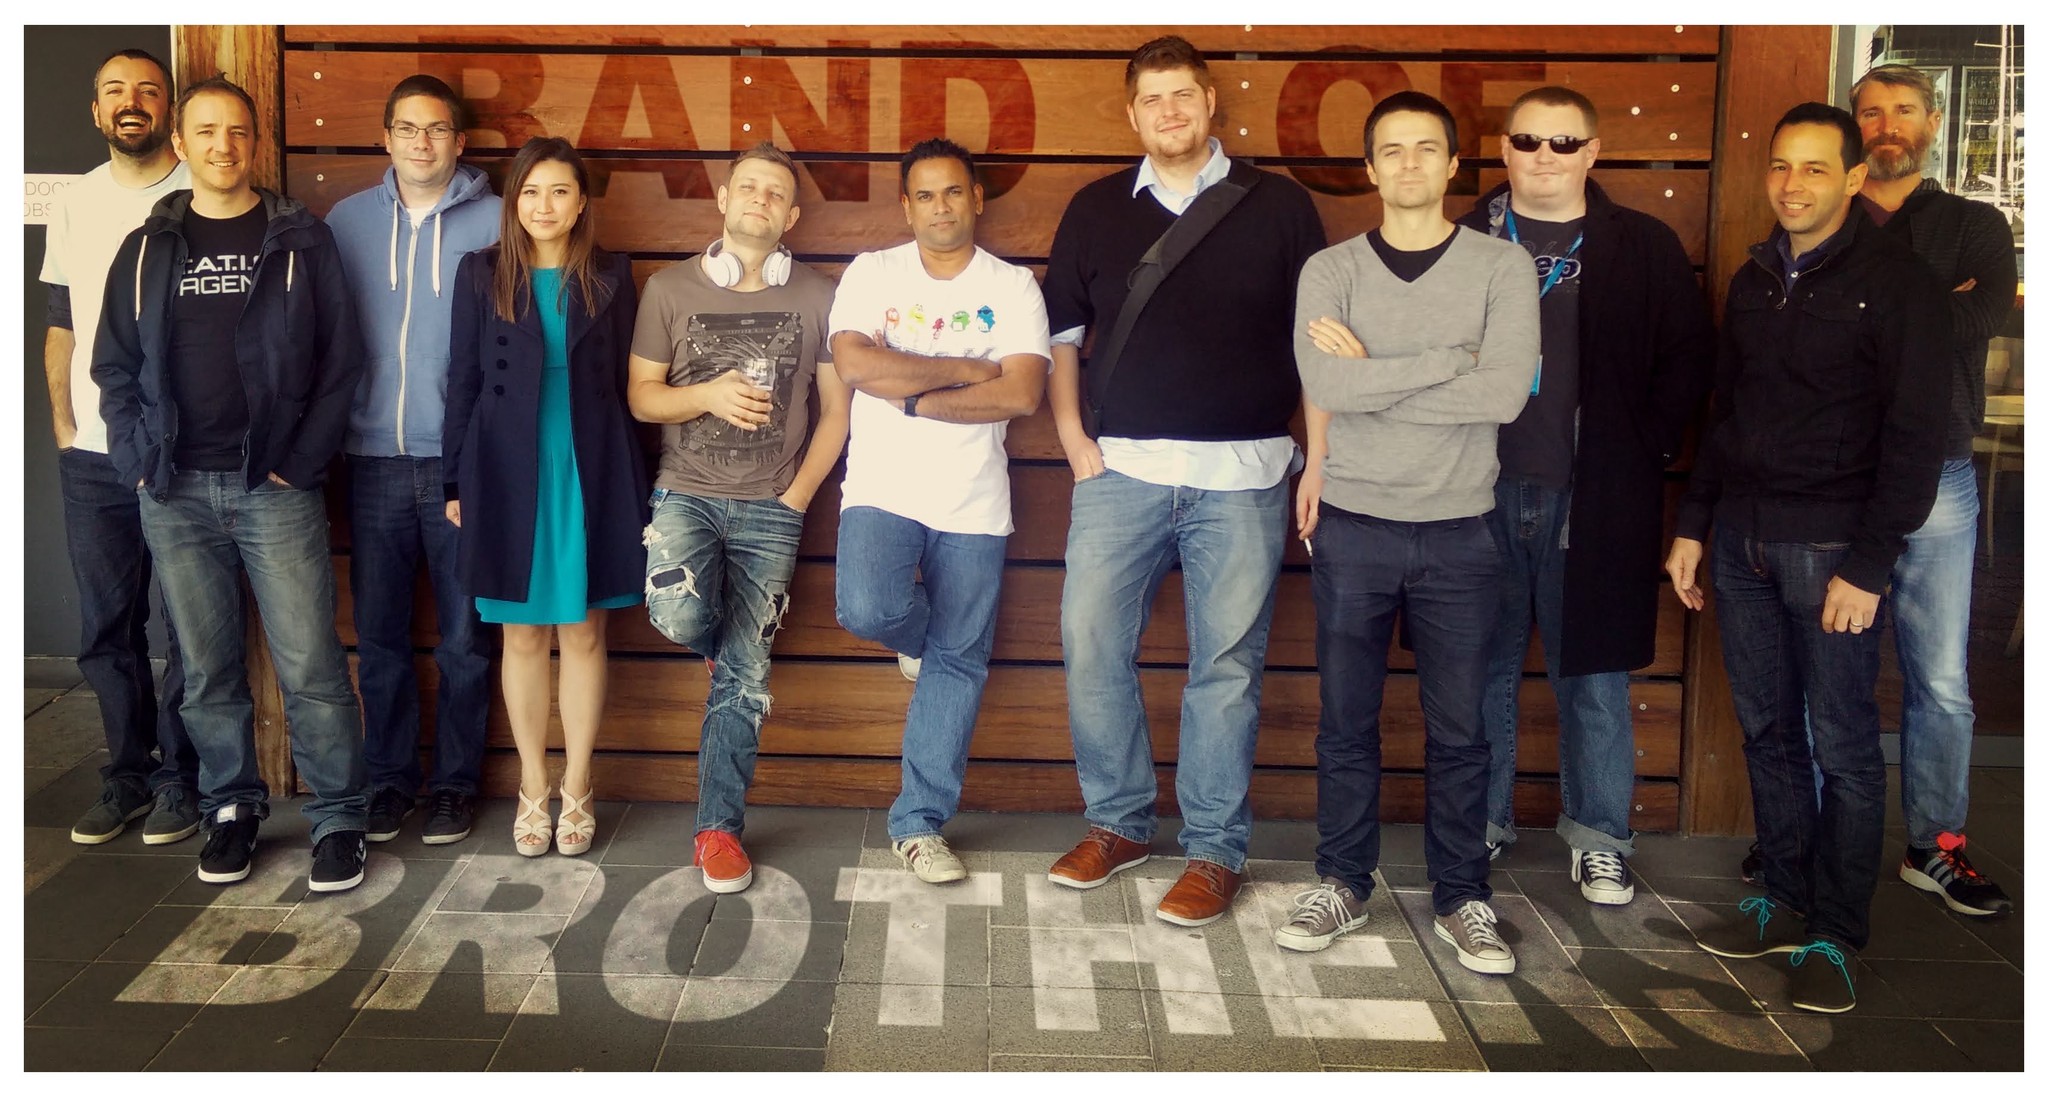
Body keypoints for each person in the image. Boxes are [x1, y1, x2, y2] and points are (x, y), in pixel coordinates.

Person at [1668, 103, 1951, 1013]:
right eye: (1781, 166)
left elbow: (1916, 437)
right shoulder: (1756, 277)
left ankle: (1837, 932)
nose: (1793, 185)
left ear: (1855, 178)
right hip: (1744, 542)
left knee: (1844, 745)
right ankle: (1784, 899)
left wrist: (1870, 565)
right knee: (1768, 732)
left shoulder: (1899, 283)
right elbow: (1727, 413)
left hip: (1832, 549)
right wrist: (1694, 524)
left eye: (1816, 168)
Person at [1041, 35, 1326, 926]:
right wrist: (1071, 437)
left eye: (1183, 95)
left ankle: (1213, 850)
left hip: (1245, 477)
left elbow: (1316, 345)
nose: (1169, 112)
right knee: (1091, 643)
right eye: (1152, 99)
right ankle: (1118, 823)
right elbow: (1062, 336)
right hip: (1120, 472)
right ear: (1133, 115)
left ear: (1210, 103)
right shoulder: (1095, 208)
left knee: (1226, 668)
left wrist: (1318, 458)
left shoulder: (1280, 206)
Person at [94, 76, 369, 891]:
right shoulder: (146, 248)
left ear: (255, 142)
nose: (224, 145)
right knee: (207, 669)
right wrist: (138, 461)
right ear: (182, 143)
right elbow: (114, 367)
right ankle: (230, 807)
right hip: (175, 490)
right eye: (207, 131)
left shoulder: (301, 240)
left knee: (311, 664)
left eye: (238, 131)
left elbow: (342, 361)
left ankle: (339, 818)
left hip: (274, 488)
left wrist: (301, 461)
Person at [1284, 91, 1537, 971]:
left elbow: (1504, 395)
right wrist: (1448, 364)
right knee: (1346, 722)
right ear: (1369, 168)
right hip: (1353, 526)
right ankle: (1342, 881)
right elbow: (1328, 386)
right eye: (1391, 150)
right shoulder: (1331, 271)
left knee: (1461, 730)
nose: (1408, 164)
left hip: (1460, 530)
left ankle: (1463, 896)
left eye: (1426, 148)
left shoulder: (1502, 267)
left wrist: (1377, 375)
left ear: (1455, 164)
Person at [1457, 86, 1715, 902]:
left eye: (1564, 143)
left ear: (1593, 152)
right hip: (1475, 489)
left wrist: (1641, 447)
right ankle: (1479, 822)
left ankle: (1601, 835)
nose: (1545, 156)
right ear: (1504, 148)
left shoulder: (1641, 244)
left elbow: (1688, 358)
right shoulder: (1461, 237)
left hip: (1595, 493)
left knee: (1595, 677)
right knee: (1480, 670)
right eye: (1529, 140)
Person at [629, 142, 852, 893]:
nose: (760, 198)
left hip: (773, 508)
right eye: (747, 186)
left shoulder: (819, 295)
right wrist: (706, 395)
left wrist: (797, 498)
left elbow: (837, 411)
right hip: (684, 493)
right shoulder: (667, 289)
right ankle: (718, 647)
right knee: (678, 616)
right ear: (723, 200)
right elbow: (642, 397)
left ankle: (718, 829)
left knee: (747, 676)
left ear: (791, 216)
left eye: (775, 192)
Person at [829, 138, 1050, 884]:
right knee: (868, 607)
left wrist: (913, 396)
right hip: (882, 487)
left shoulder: (1013, 286)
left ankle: (919, 825)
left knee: (960, 660)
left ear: (976, 198)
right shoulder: (874, 272)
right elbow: (856, 364)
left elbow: (1020, 392)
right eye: (924, 195)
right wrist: (960, 371)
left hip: (974, 503)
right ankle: (923, 641)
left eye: (953, 192)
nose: (940, 207)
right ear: (906, 206)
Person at [443, 137, 647, 858]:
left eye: (560, 191)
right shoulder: (481, 273)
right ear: (513, 201)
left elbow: (632, 388)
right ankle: (533, 784)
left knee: (586, 630)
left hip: (591, 463)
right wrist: (454, 481)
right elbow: (462, 381)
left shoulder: (613, 276)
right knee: (522, 634)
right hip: (505, 469)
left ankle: (579, 782)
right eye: (530, 191)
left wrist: (641, 486)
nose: (544, 205)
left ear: (582, 201)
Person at [1845, 64, 2017, 917]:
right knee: (1828, 671)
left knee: (1940, 677)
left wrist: (1867, 310)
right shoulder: (1829, 211)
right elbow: (1818, 327)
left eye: (1904, 110)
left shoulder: (1974, 223)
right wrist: (1919, 306)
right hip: (1839, 472)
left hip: (1940, 470)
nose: (1888, 125)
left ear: (1935, 121)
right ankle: (1814, 834)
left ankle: (1935, 846)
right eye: (1872, 111)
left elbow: (1984, 317)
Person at [324, 74, 501, 847]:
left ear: (459, 142)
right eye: (407, 128)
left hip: (464, 463)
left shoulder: (500, 220)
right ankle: (390, 781)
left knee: (465, 638)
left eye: (436, 129)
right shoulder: (346, 222)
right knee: (381, 637)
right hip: (372, 460)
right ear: (386, 137)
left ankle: (455, 786)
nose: (421, 142)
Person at [42, 48, 199, 847]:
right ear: (97, 111)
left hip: (179, 451)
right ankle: (127, 775)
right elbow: (61, 320)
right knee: (108, 627)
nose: (131, 101)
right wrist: (65, 425)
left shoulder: (200, 189)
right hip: (94, 454)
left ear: (169, 108)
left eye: (147, 89)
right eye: (115, 91)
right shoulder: (75, 201)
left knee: (188, 625)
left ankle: (181, 779)